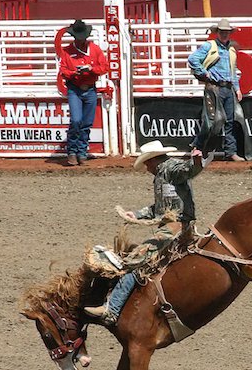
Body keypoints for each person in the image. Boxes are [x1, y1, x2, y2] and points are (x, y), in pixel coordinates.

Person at [85, 140, 204, 325]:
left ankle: (112, 309)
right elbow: (160, 207)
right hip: (174, 225)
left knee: (137, 258)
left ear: (154, 160)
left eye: (147, 162)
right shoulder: (162, 174)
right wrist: (138, 214)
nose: (146, 167)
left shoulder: (170, 168)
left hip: (176, 227)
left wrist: (196, 163)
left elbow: (188, 170)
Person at [187, 18, 245, 162]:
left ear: (229, 33)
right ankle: (198, 147)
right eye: (222, 32)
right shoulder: (209, 46)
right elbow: (193, 59)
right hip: (214, 87)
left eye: (226, 32)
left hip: (227, 87)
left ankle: (230, 151)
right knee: (211, 120)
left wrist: (237, 88)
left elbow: (233, 72)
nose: (224, 34)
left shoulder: (231, 50)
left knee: (229, 121)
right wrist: (205, 73)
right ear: (217, 32)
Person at [57, 20, 108, 166]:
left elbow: (104, 67)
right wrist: (74, 73)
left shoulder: (95, 49)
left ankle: (81, 151)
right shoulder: (68, 52)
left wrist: (91, 69)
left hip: (90, 88)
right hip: (75, 88)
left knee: (86, 122)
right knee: (76, 120)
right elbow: (64, 70)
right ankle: (73, 151)